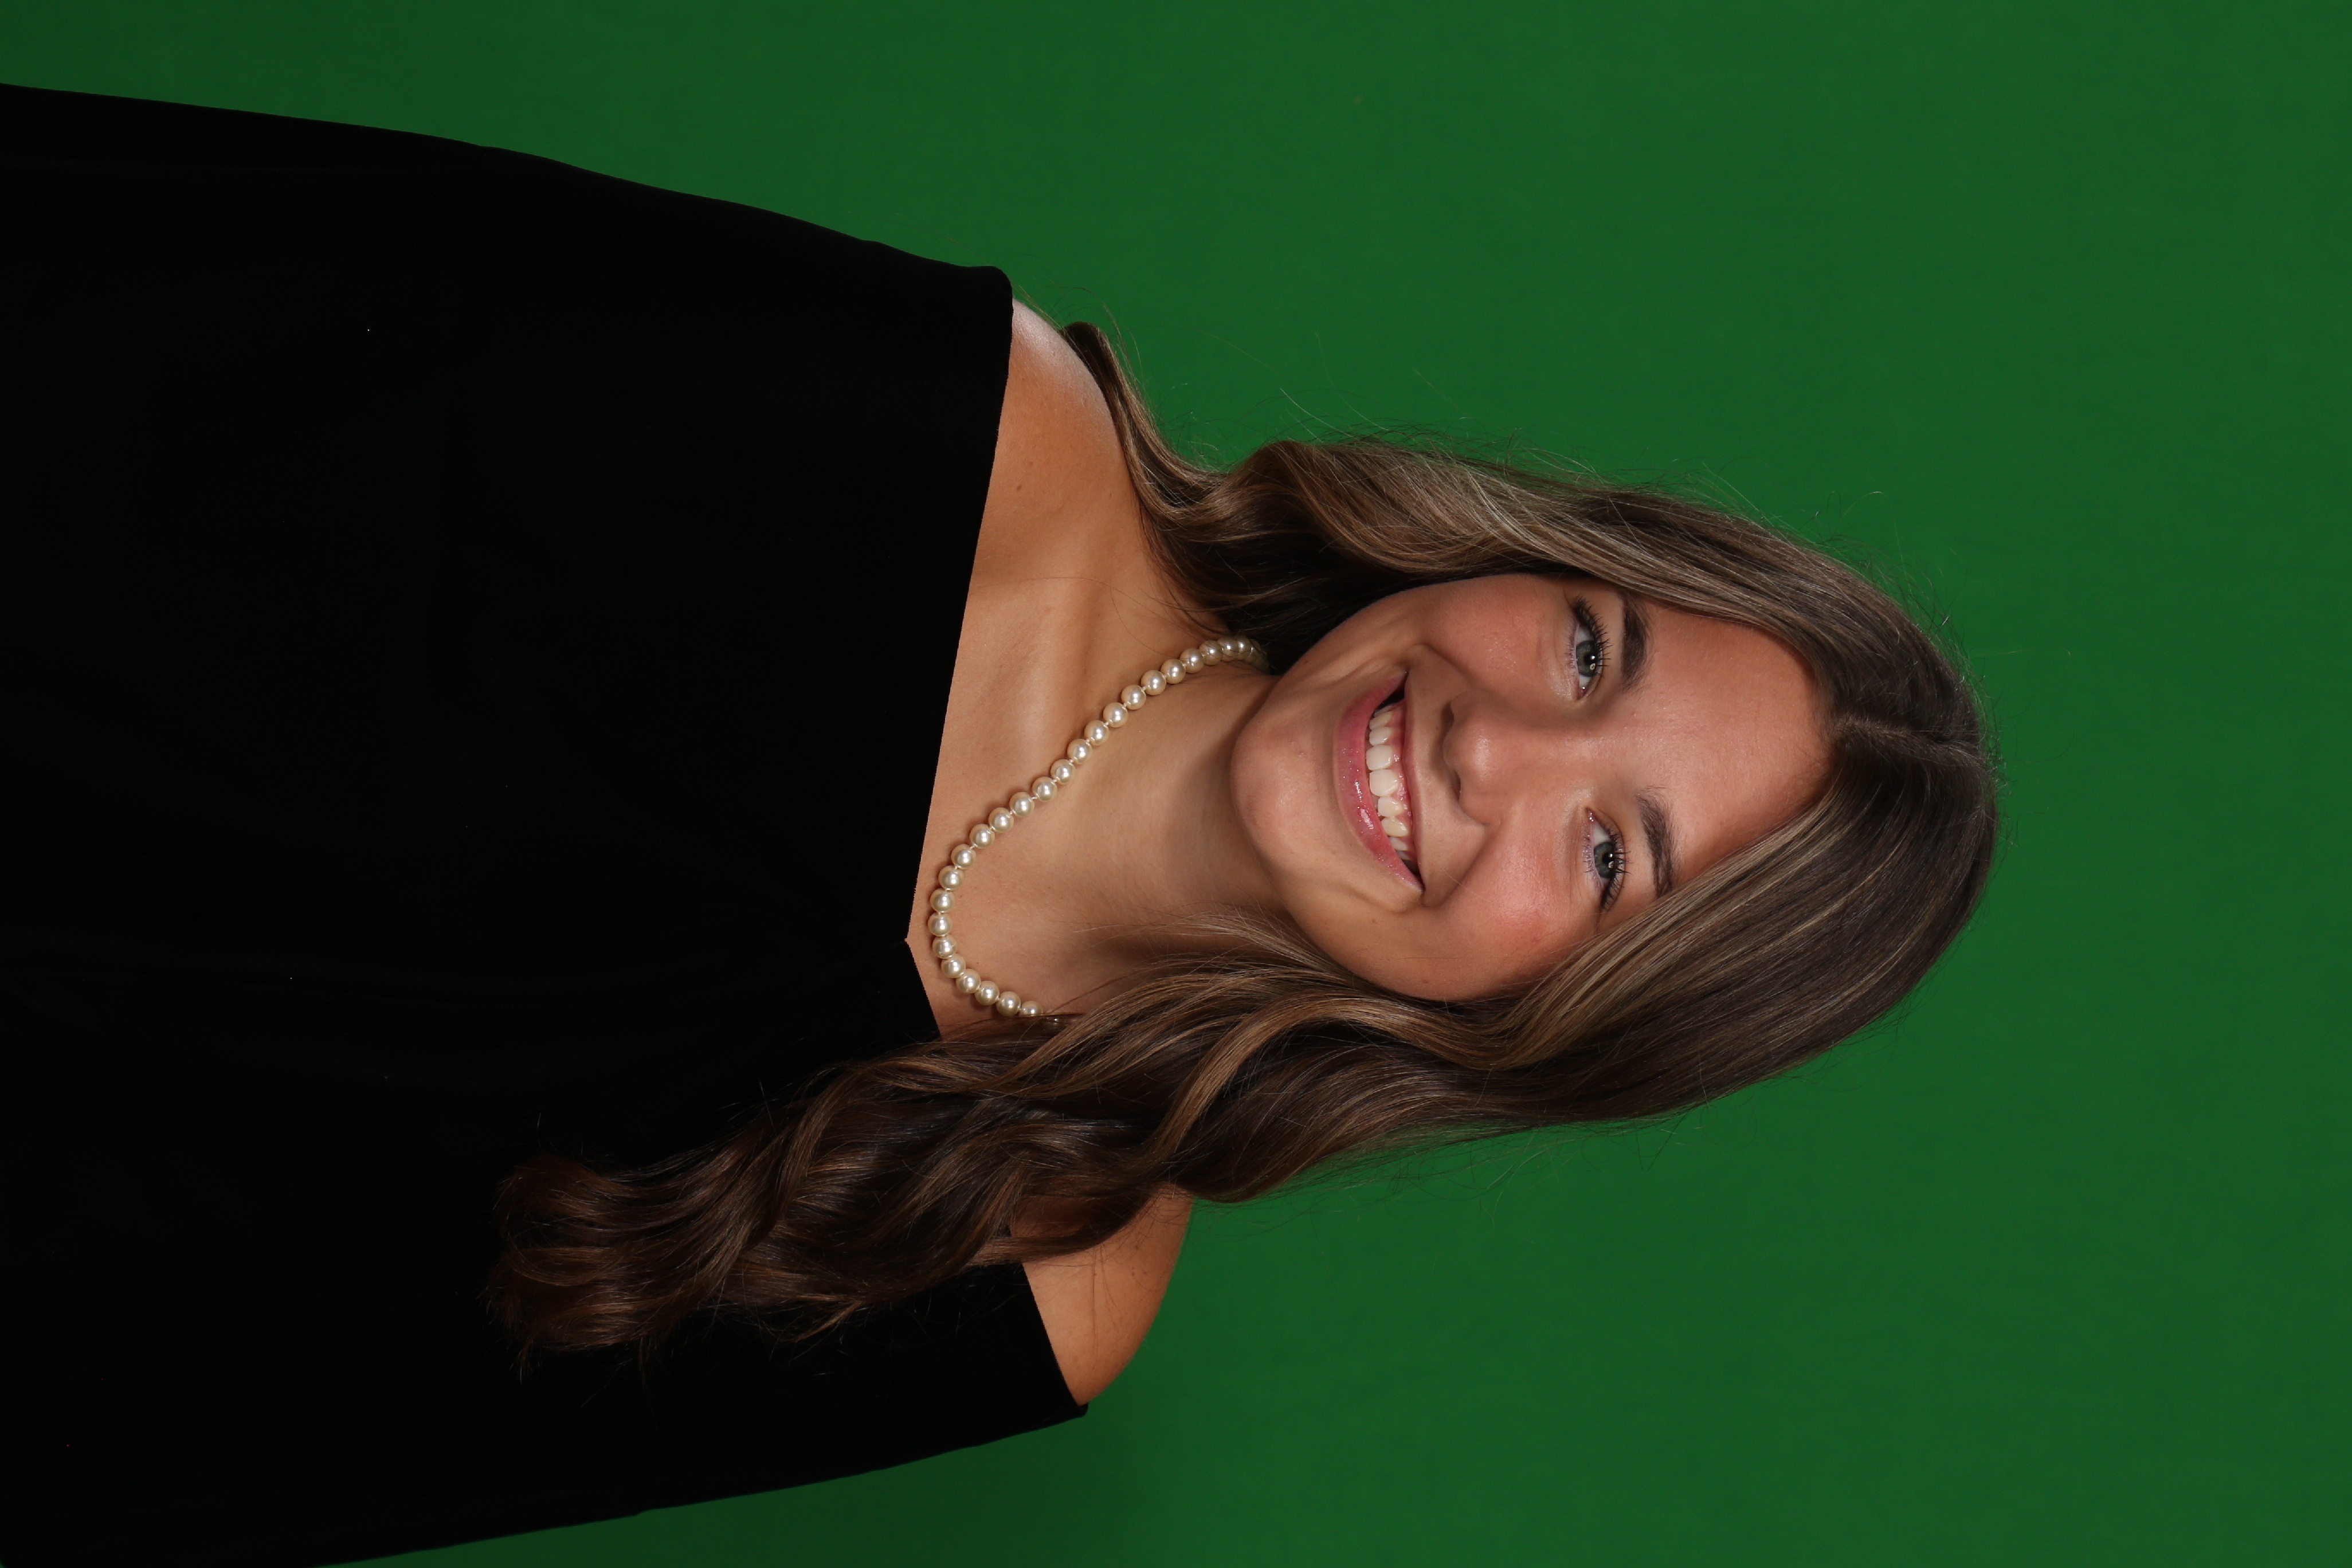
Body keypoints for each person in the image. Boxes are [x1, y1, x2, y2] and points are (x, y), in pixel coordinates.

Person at [0, 82, 1997, 1568]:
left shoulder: (1041, 1279)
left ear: (1568, 1025)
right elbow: (168, 302)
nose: (1501, 753)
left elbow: (211, 1431)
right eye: (1586, 648)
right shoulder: (973, 435)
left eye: (1613, 855)